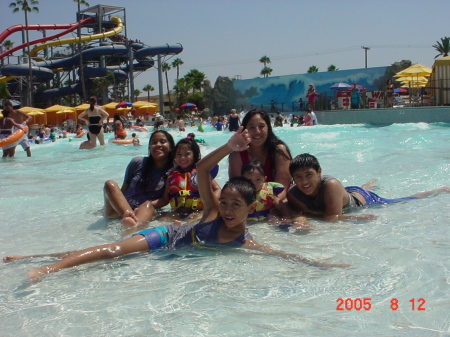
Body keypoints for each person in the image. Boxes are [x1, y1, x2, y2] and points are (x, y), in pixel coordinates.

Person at [4, 128, 348, 282]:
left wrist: (320, 265)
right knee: (110, 251)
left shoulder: (246, 241)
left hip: (174, 255)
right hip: (167, 238)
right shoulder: (212, 212)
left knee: (108, 252)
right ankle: (44, 267)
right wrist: (229, 147)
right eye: (223, 201)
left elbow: (286, 256)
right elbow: (200, 168)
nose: (226, 210)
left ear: (249, 209)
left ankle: (33, 257)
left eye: (234, 206)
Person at [287, 153, 450, 222]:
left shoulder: (330, 184)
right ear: (293, 179)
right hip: (347, 193)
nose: (304, 182)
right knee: (359, 188)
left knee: (402, 201)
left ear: (319, 172)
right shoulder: (293, 194)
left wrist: (354, 218)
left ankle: (438, 190)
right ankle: (370, 183)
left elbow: (332, 219)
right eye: (298, 177)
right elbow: (311, 213)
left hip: (363, 200)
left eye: (309, 175)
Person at [104, 130, 175, 228]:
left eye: (162, 142)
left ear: (171, 147)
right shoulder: (137, 162)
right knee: (110, 184)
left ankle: (131, 225)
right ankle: (130, 218)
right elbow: (123, 190)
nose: (158, 145)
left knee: (146, 206)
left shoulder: (173, 171)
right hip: (119, 211)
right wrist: (121, 206)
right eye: (154, 142)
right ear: (149, 147)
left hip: (143, 211)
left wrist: (142, 206)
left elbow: (165, 199)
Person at [155, 137, 221, 224]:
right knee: (161, 221)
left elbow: (218, 189)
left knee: (195, 220)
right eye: (179, 154)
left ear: (195, 155)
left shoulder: (200, 173)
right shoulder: (171, 175)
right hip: (178, 211)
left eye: (187, 154)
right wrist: (150, 204)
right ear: (174, 156)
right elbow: (165, 199)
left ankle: (184, 227)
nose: (183, 158)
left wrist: (209, 205)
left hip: (199, 210)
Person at [229, 109, 292, 198]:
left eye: (261, 126)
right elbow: (237, 188)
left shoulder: (278, 151)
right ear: (244, 130)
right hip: (249, 203)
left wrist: (266, 205)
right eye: (251, 127)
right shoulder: (237, 155)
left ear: (268, 128)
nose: (257, 131)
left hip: (277, 200)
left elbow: (282, 189)